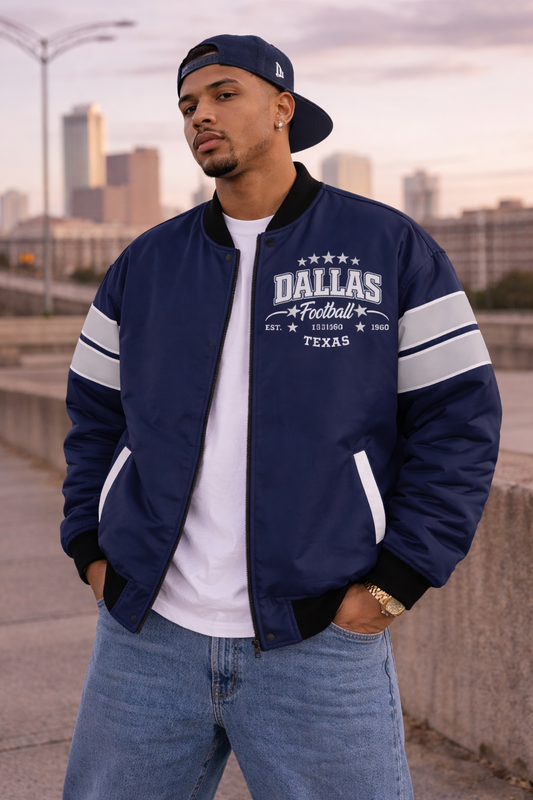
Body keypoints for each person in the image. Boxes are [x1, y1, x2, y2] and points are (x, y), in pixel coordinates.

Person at [61, 34, 501, 800]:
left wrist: (393, 584)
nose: (201, 114)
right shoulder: (144, 265)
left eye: (224, 94)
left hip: (316, 638)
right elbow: (93, 418)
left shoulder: (387, 246)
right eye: (188, 104)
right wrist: (89, 549)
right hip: (145, 637)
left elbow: (457, 422)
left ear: (282, 108)